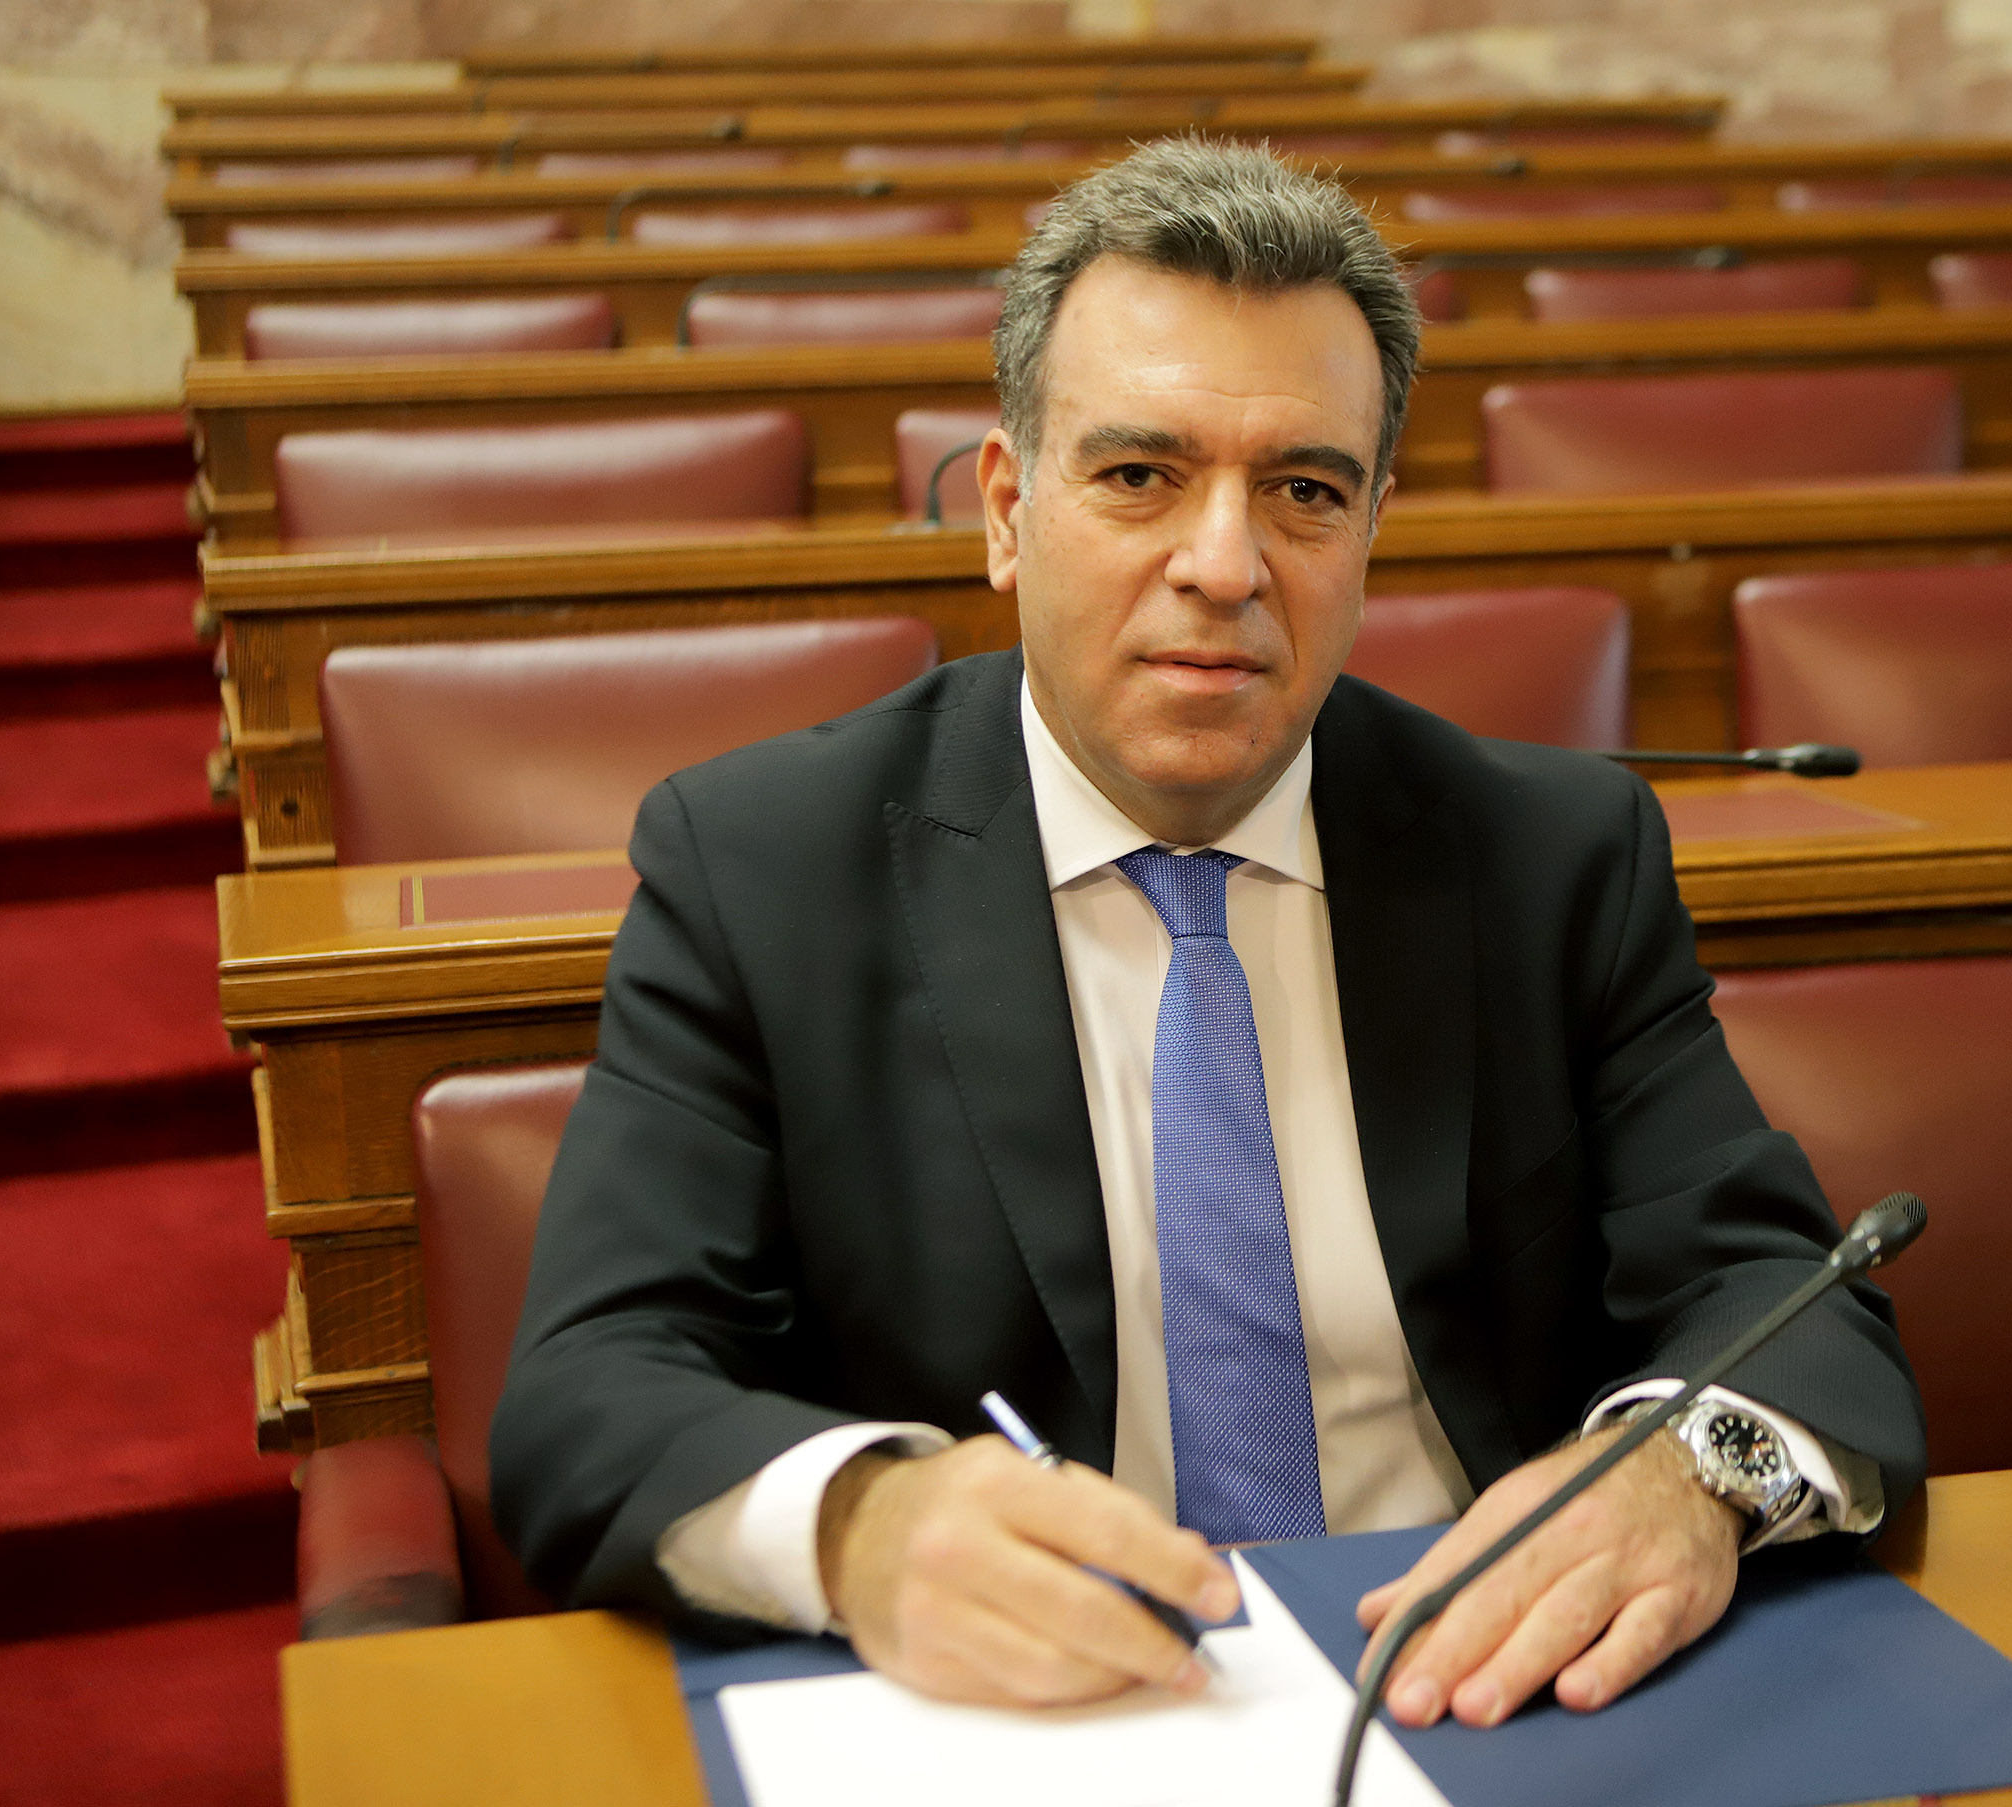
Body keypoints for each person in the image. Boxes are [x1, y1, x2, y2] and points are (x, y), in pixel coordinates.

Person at [492, 138, 1925, 1733]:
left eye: (1305, 492)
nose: (1224, 566)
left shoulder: (1551, 858)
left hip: (1486, 1695)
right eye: (1138, 477)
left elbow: (1784, 1291)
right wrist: (863, 1525)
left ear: (1370, 530)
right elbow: (591, 1389)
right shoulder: (765, 868)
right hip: (1024, 1722)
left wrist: (1683, 1474)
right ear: (1006, 510)